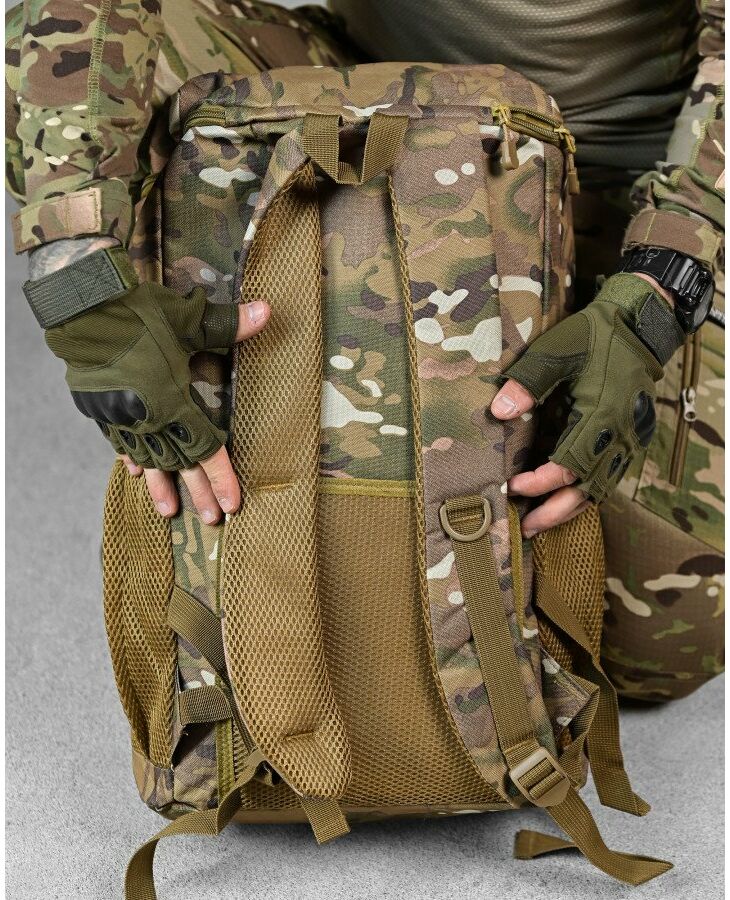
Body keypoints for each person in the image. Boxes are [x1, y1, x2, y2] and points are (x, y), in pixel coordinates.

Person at [5, 0, 724, 699]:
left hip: (633, 185)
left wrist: (658, 294)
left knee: (662, 633)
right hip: (370, 98)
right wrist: (80, 285)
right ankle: (217, 448)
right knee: (110, 68)